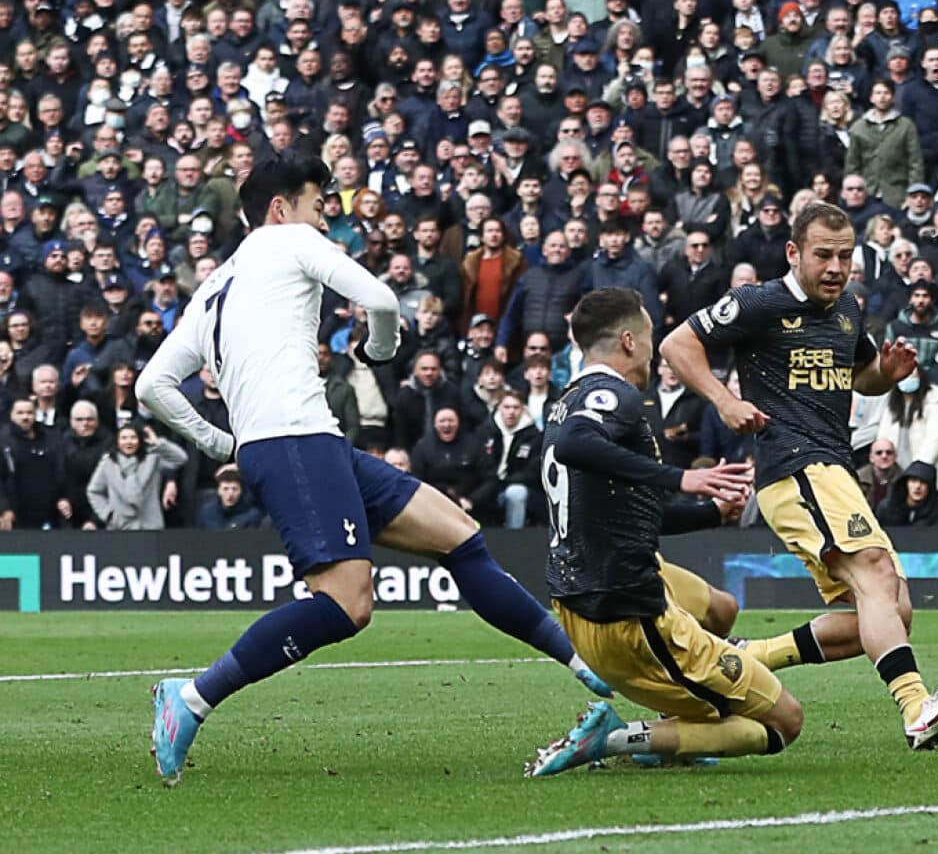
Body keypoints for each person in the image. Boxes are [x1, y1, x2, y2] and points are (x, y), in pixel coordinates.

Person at [138, 152, 614, 785]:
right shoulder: (291, 240)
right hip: (295, 442)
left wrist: (220, 442)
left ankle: (583, 664)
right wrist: (380, 348)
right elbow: (382, 300)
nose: (324, 219)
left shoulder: (214, 286)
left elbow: (153, 385)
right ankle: (192, 699)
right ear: (281, 209)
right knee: (348, 603)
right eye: (317, 206)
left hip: (303, 443)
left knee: (459, 536)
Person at [661, 202, 938, 750]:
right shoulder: (759, 302)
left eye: (845, 256)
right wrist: (723, 400)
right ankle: (916, 707)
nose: (836, 267)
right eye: (823, 255)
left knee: (891, 609)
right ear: (793, 253)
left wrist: (886, 373)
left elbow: (861, 377)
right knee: (876, 573)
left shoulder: (848, 309)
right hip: (794, 465)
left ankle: (745, 656)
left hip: (832, 467)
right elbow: (677, 344)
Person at [524, 288, 795, 776]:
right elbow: (575, 444)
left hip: (578, 598)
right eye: (650, 336)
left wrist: (711, 513)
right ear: (629, 341)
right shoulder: (612, 397)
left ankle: (682, 724)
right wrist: (681, 478)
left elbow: (628, 510)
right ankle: (618, 738)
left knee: (720, 609)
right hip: (626, 610)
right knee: (781, 723)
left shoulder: (565, 403)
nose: (654, 350)